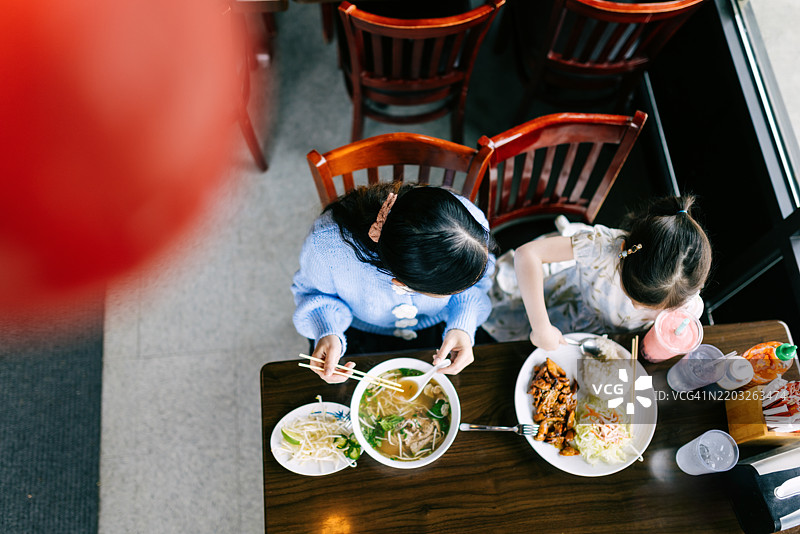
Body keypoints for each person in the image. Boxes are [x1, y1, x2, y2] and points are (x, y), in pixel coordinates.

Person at [292, 183, 495, 383]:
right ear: (403, 285)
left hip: (441, 322)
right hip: (358, 328)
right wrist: (327, 329)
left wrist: (463, 325)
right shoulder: (325, 246)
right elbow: (312, 294)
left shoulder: (469, 225)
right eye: (445, 292)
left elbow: (478, 285)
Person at [492, 195, 711, 351]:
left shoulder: (684, 297)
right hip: (563, 306)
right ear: (625, 255)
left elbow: (687, 319)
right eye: (636, 298)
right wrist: (541, 327)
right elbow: (527, 254)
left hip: (611, 341)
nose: (638, 308)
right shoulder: (603, 246)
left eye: (649, 307)